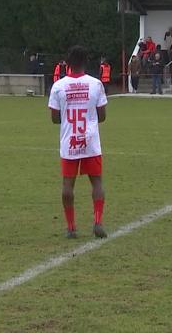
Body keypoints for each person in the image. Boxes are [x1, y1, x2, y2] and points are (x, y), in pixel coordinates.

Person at [48, 45, 109, 239]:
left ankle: (71, 227)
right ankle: (98, 222)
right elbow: (102, 116)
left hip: (69, 140)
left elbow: (55, 118)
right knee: (97, 181)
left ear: (68, 63)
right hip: (90, 140)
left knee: (68, 184)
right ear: (85, 62)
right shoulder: (96, 84)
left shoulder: (58, 86)